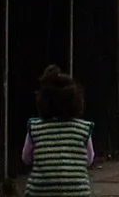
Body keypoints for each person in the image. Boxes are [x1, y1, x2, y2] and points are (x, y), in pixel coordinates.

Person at [22, 65, 96, 196]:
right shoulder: (83, 128)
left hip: (40, 191)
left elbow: (26, 158)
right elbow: (89, 159)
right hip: (77, 191)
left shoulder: (35, 127)